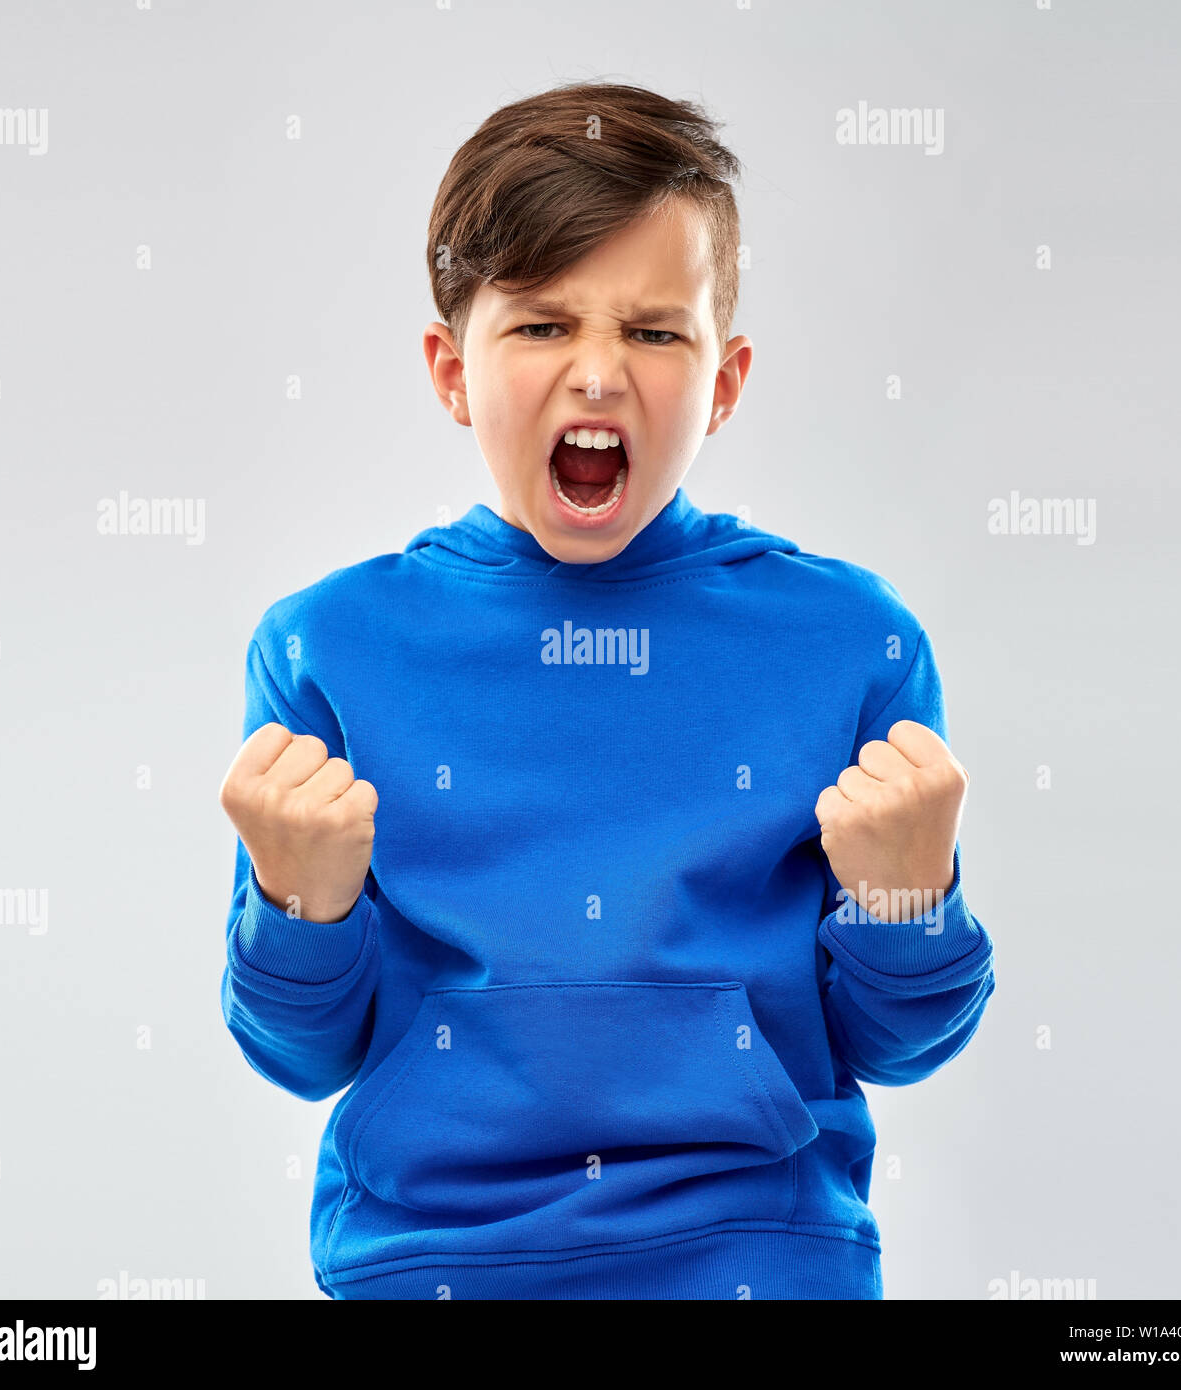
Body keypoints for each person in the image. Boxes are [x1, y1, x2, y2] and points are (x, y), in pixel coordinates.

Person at [217, 80, 995, 1300]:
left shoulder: (853, 641)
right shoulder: (328, 646)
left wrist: (909, 891)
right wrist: (297, 904)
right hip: (427, 1265)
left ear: (725, 380)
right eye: (538, 326)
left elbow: (901, 1043)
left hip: (759, 1259)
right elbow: (300, 1053)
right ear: (449, 369)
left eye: (652, 330)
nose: (595, 374)